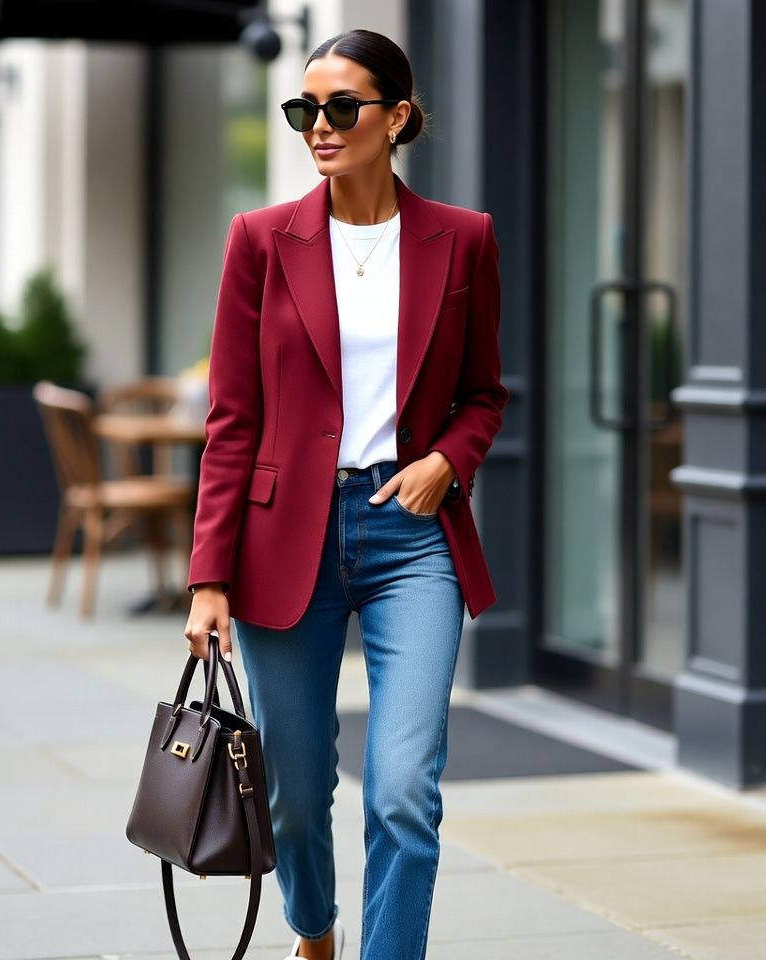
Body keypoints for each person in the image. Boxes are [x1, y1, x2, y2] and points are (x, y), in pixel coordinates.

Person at [184, 28, 507, 960]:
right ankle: (314, 929)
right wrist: (209, 576)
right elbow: (232, 420)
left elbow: (484, 393)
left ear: (397, 116)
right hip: (289, 533)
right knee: (291, 788)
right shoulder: (259, 241)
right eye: (304, 111)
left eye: (340, 108)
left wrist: (451, 457)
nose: (318, 127)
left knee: (404, 785)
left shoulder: (464, 240)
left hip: (412, 537)